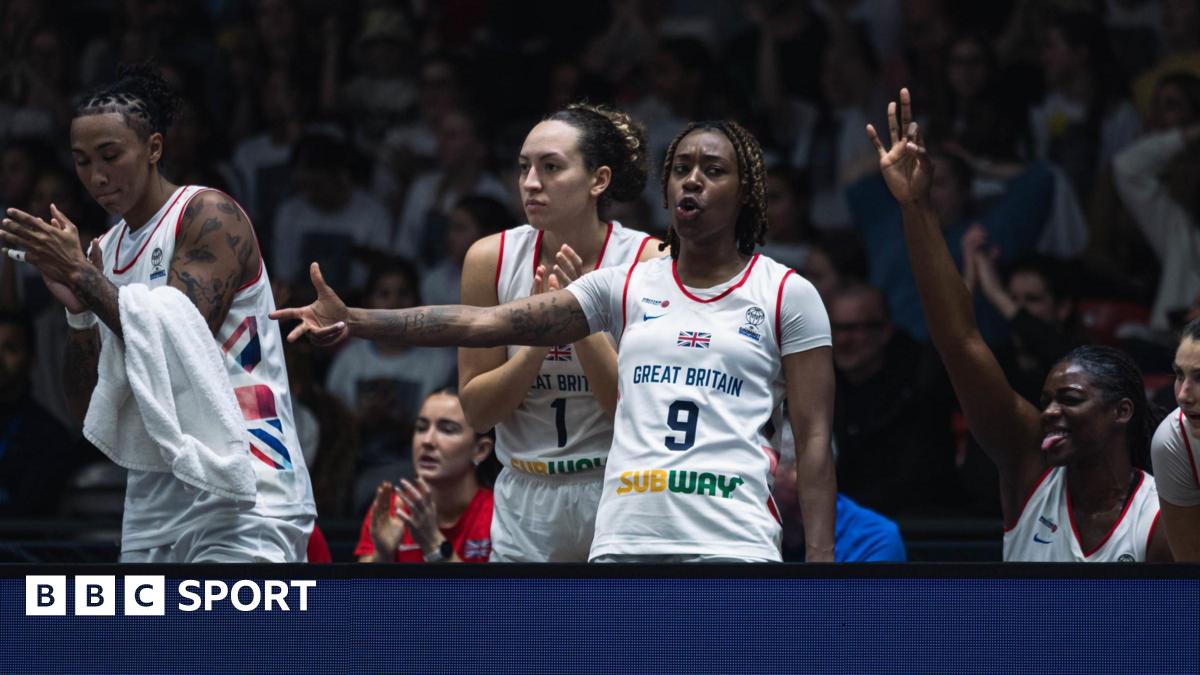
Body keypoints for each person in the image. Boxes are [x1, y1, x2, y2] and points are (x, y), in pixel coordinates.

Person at [275, 119, 837, 562]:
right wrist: (359, 319)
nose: (692, 179)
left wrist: (819, 559)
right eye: (681, 167)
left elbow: (811, 437)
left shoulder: (781, 291)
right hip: (610, 529)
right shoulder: (619, 284)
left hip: (720, 532)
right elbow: (480, 324)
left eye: (712, 169)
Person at [0, 64, 315, 562]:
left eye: (110, 155)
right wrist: (79, 314)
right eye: (81, 161)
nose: (96, 176)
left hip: (248, 487)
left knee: (228, 643)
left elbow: (179, 341)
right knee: (158, 645)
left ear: (153, 148)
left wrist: (83, 277)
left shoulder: (207, 215)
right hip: (155, 501)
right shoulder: (104, 252)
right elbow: (92, 410)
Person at [866, 88, 1170, 562]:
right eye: (1047, 400)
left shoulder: (1161, 519)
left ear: (1122, 412)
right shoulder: (1030, 468)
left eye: (1069, 400)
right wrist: (916, 209)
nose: (1048, 412)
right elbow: (959, 341)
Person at [457, 103, 660, 562]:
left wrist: (578, 315)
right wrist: (535, 339)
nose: (531, 182)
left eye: (551, 167)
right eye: (524, 167)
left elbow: (637, 415)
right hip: (523, 497)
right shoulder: (488, 260)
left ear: (598, 180)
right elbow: (477, 412)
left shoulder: (648, 263)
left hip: (618, 486)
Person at [355, 388, 495, 563]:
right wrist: (383, 555)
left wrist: (433, 542)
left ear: (480, 450)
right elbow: (363, 590)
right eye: (421, 428)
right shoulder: (391, 509)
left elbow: (493, 591)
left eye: (447, 430)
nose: (427, 441)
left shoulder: (499, 515)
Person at [1150, 318, 1200, 560]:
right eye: (1179, 375)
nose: (1183, 395)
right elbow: (1191, 566)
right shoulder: (1173, 442)